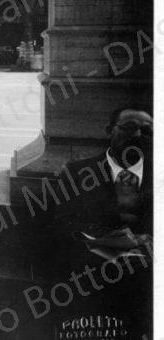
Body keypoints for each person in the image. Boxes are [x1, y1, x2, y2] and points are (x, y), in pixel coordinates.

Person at [44, 106, 152, 337]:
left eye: (147, 131)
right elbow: (63, 225)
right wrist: (119, 240)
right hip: (94, 275)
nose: (138, 136)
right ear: (109, 131)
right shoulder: (78, 173)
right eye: (129, 128)